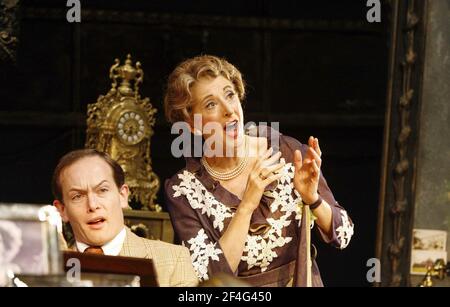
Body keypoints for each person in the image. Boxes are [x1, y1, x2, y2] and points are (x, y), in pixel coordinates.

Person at [163, 55, 354, 286]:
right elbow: (210, 278)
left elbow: (343, 234)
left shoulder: (286, 150)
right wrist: (247, 206)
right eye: (211, 104)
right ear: (192, 125)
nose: (228, 110)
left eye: (229, 94)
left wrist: (312, 198)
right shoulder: (184, 190)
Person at [52, 149, 198, 287]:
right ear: (62, 210)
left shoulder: (174, 260)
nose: (92, 205)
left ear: (122, 195)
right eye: (77, 196)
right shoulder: (47, 269)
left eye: (102, 190)